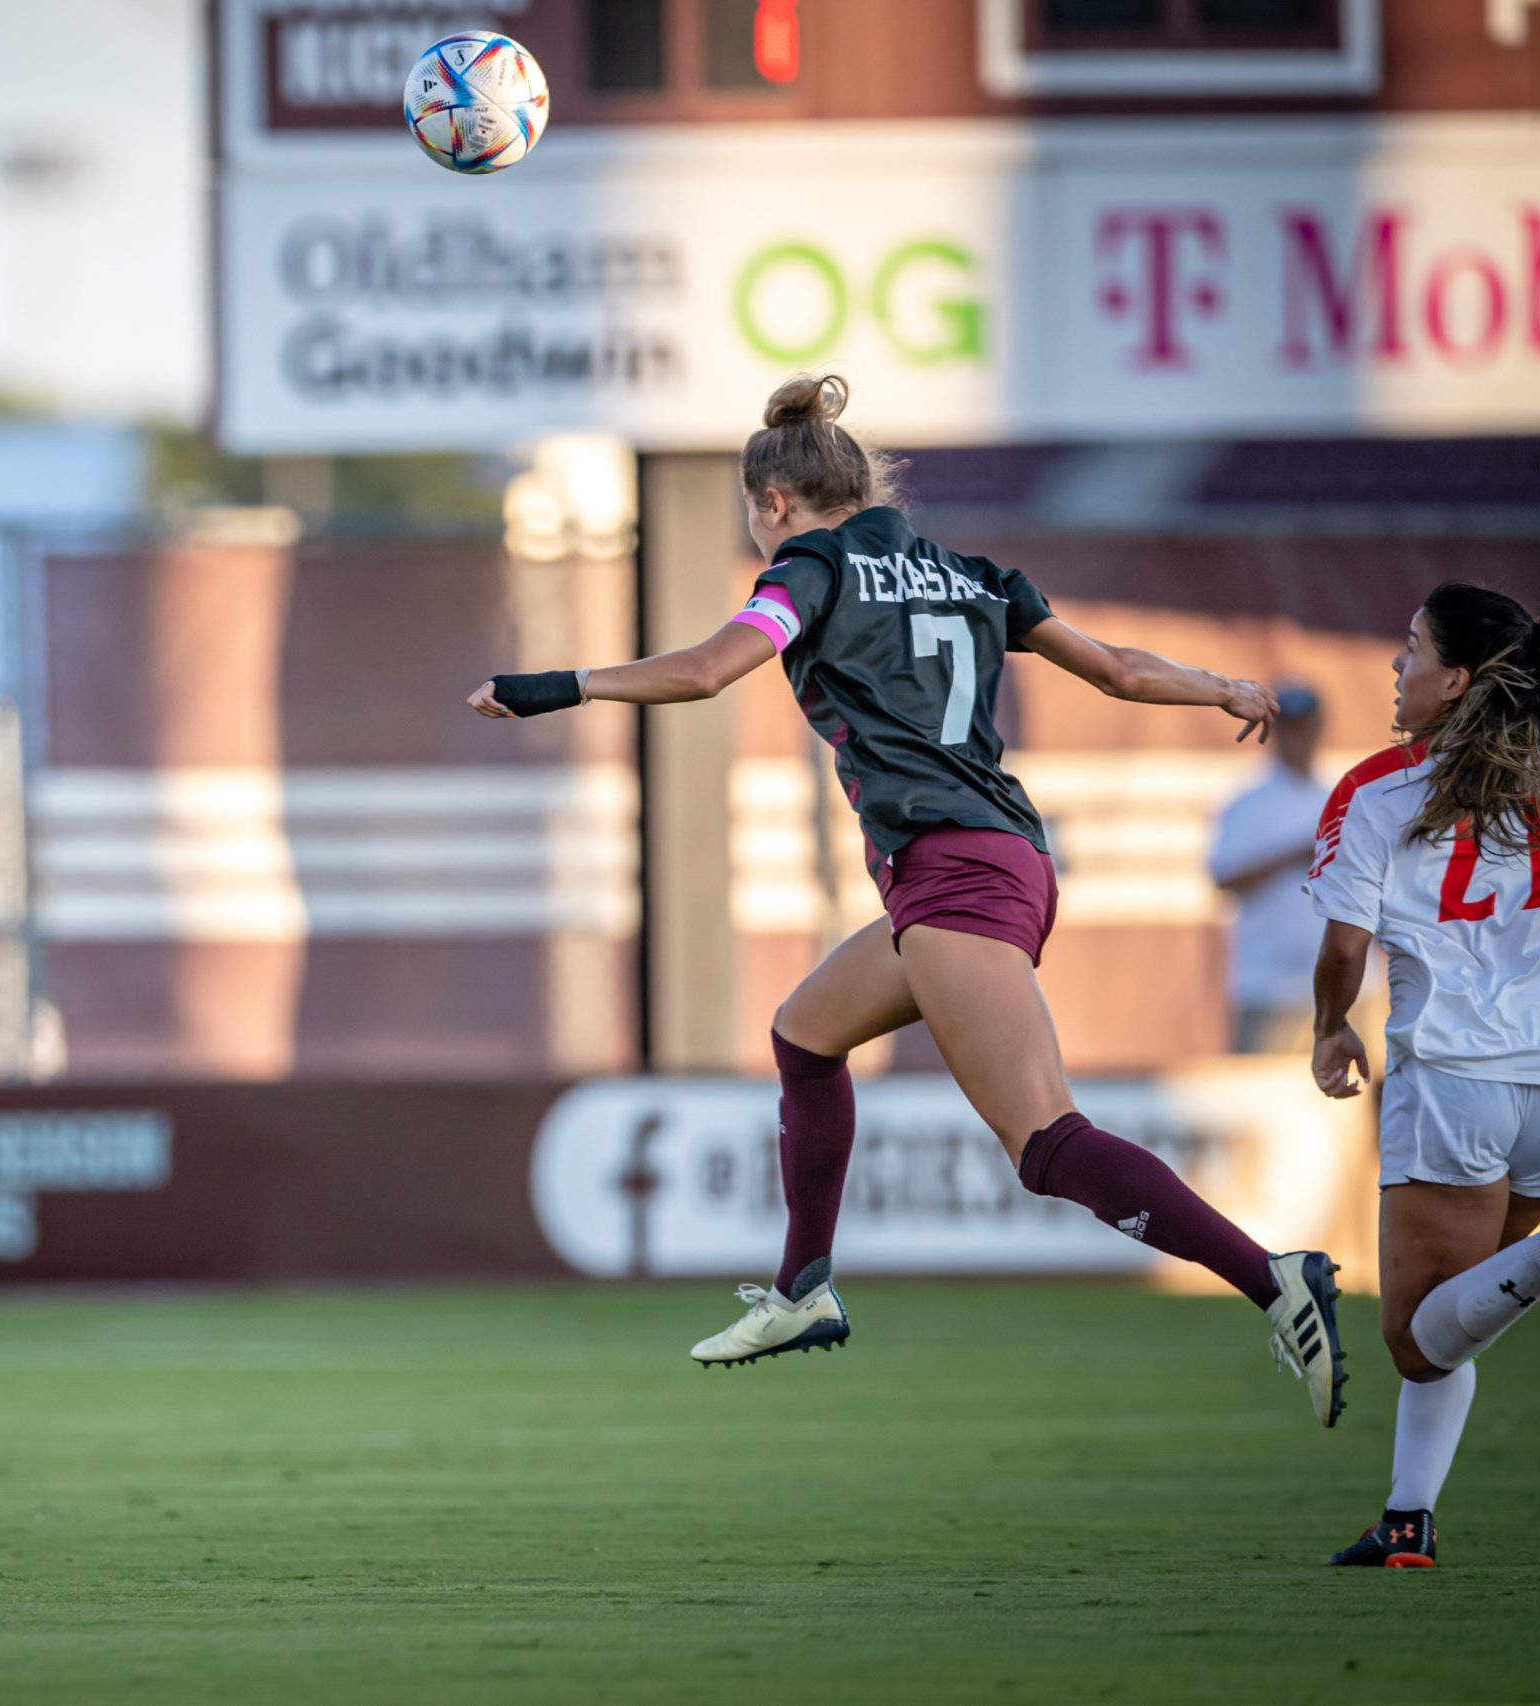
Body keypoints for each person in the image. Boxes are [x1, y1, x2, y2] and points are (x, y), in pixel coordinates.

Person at [468, 373, 1347, 1428]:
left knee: (1046, 1144)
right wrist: (1220, 685)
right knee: (804, 1033)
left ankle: (1271, 1274)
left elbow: (707, 672)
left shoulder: (809, 569)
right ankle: (801, 1289)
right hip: (993, 858)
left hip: (954, 873)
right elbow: (1115, 668)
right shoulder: (971, 573)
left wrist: (551, 686)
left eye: (755, 516)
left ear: (774, 503)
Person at [1307, 583, 1540, 1567]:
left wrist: (1329, 1026)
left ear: (1454, 680)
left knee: (1413, 1336)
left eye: (1410, 649)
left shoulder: (1380, 786)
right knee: (1460, 1315)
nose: (1394, 667)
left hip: (1453, 1074)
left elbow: (1343, 946)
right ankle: (1407, 1517)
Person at [1209, 683, 1332, 1053]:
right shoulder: (1248, 802)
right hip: (1266, 984)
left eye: (1303, 726)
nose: (1297, 737)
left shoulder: (1340, 795)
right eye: (1289, 727)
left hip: (1340, 982)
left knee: (1352, 1101)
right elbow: (1224, 877)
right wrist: (1296, 853)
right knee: (1258, 1099)